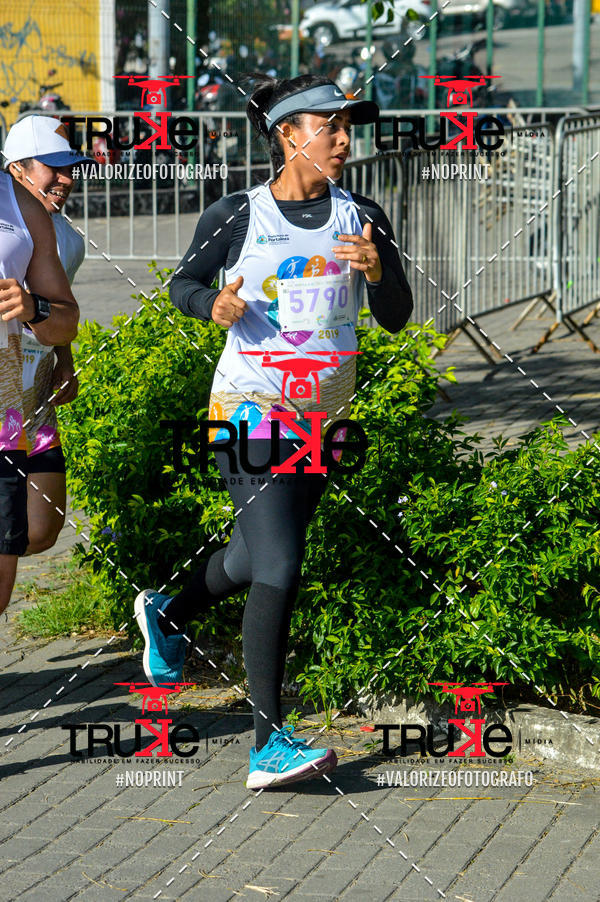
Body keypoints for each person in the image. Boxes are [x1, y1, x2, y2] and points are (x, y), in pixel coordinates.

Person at [135, 74, 414, 789]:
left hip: (325, 414)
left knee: (250, 559)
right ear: (290, 135)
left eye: (350, 128)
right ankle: (268, 745)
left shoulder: (363, 215)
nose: (347, 140)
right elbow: (183, 283)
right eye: (334, 127)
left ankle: (168, 609)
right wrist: (213, 305)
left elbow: (396, 315)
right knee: (282, 565)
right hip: (250, 405)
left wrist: (379, 270)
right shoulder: (237, 215)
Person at [3, 115, 88, 555]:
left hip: (35, 395)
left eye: (70, 167)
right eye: (52, 167)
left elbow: (61, 310)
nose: (66, 179)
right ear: (16, 168)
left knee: (43, 528)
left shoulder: (70, 238)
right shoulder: (8, 226)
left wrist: (66, 363)